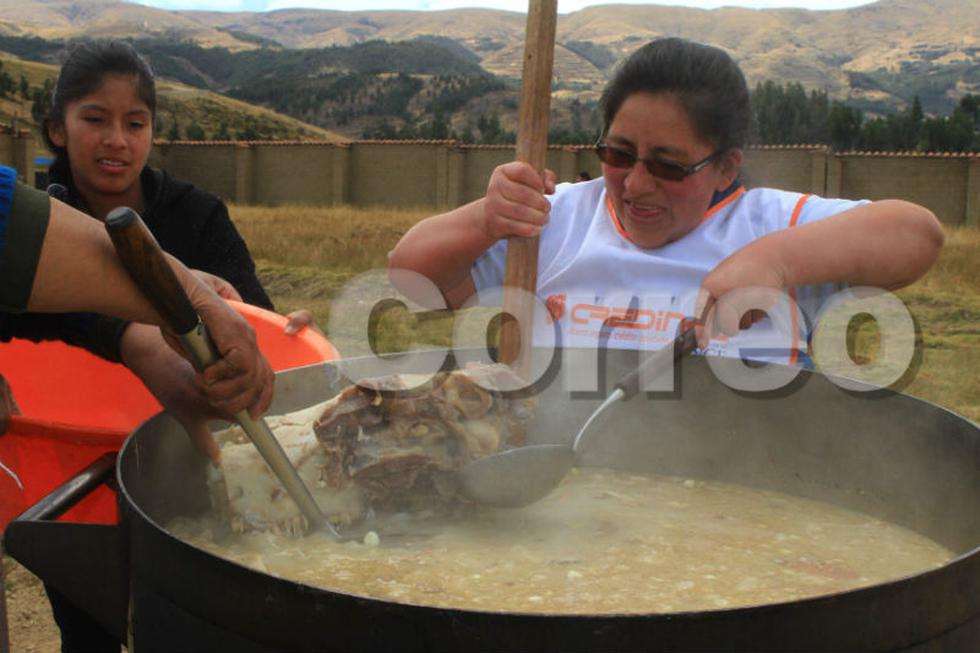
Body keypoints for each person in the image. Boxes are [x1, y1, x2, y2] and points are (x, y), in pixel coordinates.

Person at [388, 37, 944, 363]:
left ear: (726, 164)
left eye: (669, 165)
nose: (635, 184)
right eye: (619, 153)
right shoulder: (554, 218)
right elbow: (413, 278)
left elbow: (917, 234)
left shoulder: (774, 224)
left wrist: (774, 263)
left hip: (748, 495)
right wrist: (488, 219)